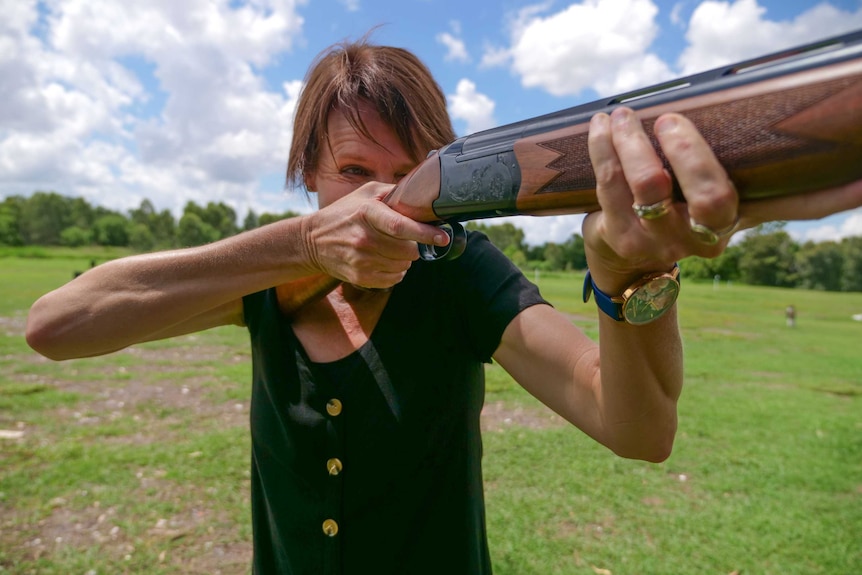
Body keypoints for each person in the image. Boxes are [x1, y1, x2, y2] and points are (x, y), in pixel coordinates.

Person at [25, 38, 862, 574]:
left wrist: (623, 273)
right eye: (352, 172)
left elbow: (638, 429)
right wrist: (300, 245)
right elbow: (54, 326)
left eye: (407, 169)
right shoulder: (269, 276)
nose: (379, 195)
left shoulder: (460, 269)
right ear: (307, 176)